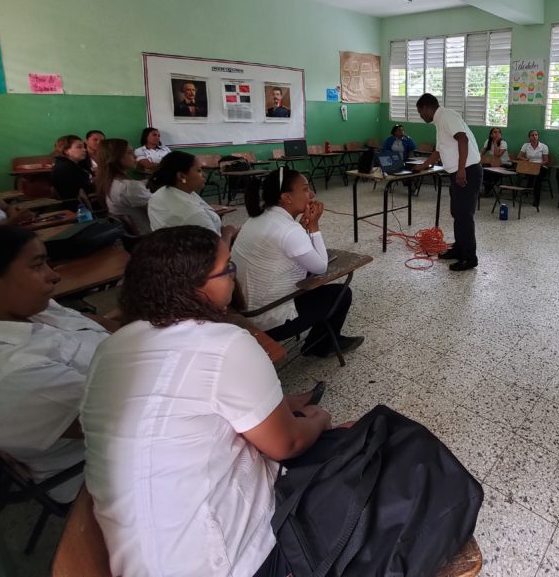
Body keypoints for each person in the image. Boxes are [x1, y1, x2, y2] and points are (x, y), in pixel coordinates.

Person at [80, 226, 335, 576]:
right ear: (195, 286)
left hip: (146, 558)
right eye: (228, 268)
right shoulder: (224, 342)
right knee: (366, 457)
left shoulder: (111, 348)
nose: (235, 276)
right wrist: (319, 419)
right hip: (230, 559)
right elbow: (286, 443)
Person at [0, 225, 114, 502]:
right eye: (38, 265)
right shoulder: (8, 375)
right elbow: (124, 420)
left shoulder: (27, 308)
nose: (54, 275)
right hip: (97, 468)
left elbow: (97, 326)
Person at [232, 168, 364, 358]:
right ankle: (319, 345)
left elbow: (290, 249)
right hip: (268, 320)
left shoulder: (258, 218)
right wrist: (314, 226)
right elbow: (321, 267)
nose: (311, 194)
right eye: (304, 189)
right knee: (341, 293)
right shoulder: (288, 229)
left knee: (311, 279)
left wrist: (303, 229)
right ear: (287, 197)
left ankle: (319, 340)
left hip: (247, 311)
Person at [414, 93, 481, 272]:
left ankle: (469, 258)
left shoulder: (447, 116)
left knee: (464, 217)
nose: (421, 116)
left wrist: (460, 169)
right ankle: (460, 249)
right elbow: (439, 151)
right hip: (459, 173)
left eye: (420, 112)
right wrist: (423, 166)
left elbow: (462, 139)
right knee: (457, 214)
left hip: (467, 172)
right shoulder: (439, 122)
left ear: (427, 108)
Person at [147, 151, 239, 243]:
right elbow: (219, 254)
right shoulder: (192, 213)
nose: (204, 175)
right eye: (199, 170)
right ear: (181, 176)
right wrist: (228, 233)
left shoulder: (161, 193)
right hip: (201, 254)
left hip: (167, 251)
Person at [94, 139, 152, 235]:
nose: (135, 156)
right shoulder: (130, 187)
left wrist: (147, 181)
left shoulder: (108, 181)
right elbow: (158, 214)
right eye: (129, 153)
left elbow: (132, 188)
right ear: (115, 157)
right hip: (149, 234)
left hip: (129, 236)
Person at [50, 134, 95, 202]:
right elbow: (85, 190)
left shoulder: (77, 163)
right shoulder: (65, 168)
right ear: (66, 151)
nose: (85, 150)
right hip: (81, 206)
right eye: (79, 147)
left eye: (84, 147)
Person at [516, 129, 550, 208]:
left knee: (537, 177)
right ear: (529, 137)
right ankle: (527, 189)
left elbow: (546, 160)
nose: (535, 137)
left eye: (536, 135)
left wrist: (539, 164)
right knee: (527, 173)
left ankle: (536, 199)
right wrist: (526, 160)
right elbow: (519, 156)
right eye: (532, 135)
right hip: (529, 167)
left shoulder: (543, 146)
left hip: (541, 167)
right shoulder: (526, 145)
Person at [480, 127, 512, 196]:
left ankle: (489, 190)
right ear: (491, 135)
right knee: (484, 169)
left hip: (504, 163)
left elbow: (497, 155)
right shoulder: (488, 141)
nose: (497, 134)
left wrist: (495, 143)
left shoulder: (503, 143)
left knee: (493, 171)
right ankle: (487, 190)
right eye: (495, 132)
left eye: (499, 132)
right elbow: (482, 153)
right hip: (494, 163)